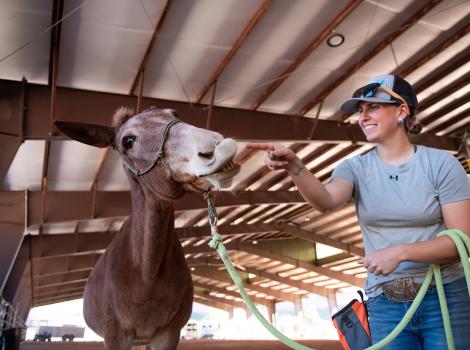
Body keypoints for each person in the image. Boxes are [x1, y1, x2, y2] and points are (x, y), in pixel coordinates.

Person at [247, 74, 470, 349]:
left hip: (445, 296)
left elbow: (461, 241)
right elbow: (325, 200)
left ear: (402, 111)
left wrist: (401, 253)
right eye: (360, 110)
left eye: (373, 107)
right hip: (385, 303)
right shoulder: (354, 168)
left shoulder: (441, 165)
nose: (363, 117)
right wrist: (295, 166)